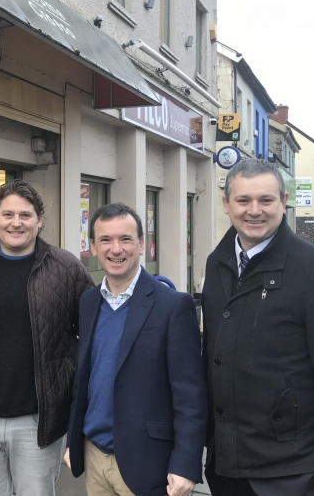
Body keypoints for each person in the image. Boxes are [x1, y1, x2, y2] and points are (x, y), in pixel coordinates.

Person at [202, 159, 314, 496]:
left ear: (283, 201)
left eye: (266, 200)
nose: (254, 210)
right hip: (226, 466)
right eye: (243, 200)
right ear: (226, 204)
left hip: (291, 472)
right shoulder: (217, 262)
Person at [0, 180, 93, 496]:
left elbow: (92, 333)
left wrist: (71, 385)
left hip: (38, 417)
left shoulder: (66, 268)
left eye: (25, 215)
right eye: (7, 214)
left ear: (40, 220)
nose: (16, 222)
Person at [65, 203, 206, 496]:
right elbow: (86, 379)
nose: (116, 249)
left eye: (125, 239)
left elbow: (190, 394)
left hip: (149, 463)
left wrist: (186, 463)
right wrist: (73, 442)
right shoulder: (88, 302)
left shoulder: (172, 305)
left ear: (141, 244)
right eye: (105, 240)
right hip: (94, 455)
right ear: (92, 246)